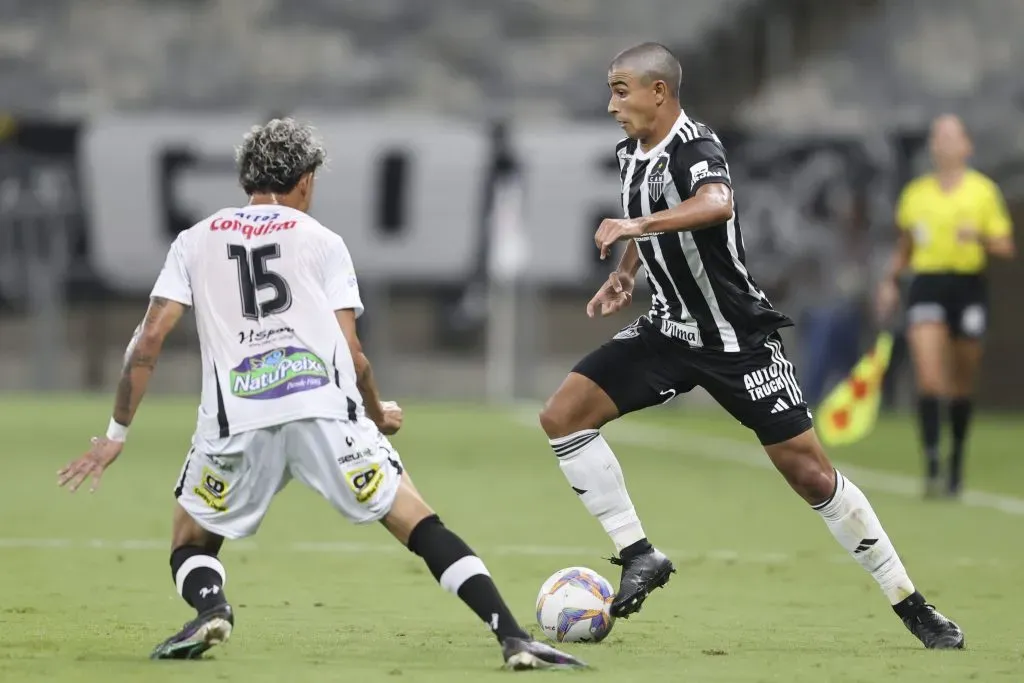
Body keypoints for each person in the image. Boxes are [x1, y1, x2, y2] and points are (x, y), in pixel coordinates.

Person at [57, 118, 584, 671]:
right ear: (305, 181)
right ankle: (512, 636)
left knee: (189, 541)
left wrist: (116, 434)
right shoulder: (323, 242)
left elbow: (148, 339)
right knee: (419, 523)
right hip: (325, 412)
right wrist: (377, 413)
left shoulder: (194, 241)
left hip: (236, 419)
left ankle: (211, 609)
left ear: (246, 179)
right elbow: (353, 355)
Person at [538, 43, 963, 649]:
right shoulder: (630, 153)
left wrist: (636, 227)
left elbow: (715, 204)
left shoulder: (697, 148)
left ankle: (911, 604)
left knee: (811, 474)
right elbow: (649, 212)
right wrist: (629, 271)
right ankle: (639, 554)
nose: (612, 104)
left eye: (621, 89)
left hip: (736, 341)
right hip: (668, 329)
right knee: (562, 417)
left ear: (659, 91)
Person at [877, 114, 1015, 498]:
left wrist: (981, 236)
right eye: (939, 136)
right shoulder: (916, 194)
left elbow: (1005, 245)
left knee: (961, 381)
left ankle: (956, 461)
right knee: (930, 377)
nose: (944, 143)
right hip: (928, 285)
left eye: (952, 136)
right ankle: (933, 459)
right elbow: (904, 248)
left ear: (966, 146)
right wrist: (889, 281)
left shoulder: (983, 192)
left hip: (968, 286)